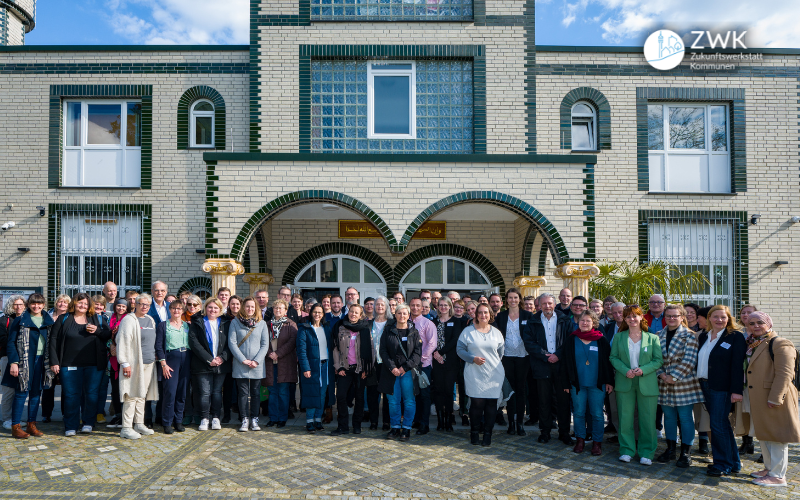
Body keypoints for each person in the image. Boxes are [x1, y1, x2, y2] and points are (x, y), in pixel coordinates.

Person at [743, 312, 799, 487]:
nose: (756, 326)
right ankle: (769, 468)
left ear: (769, 324)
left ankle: (778, 476)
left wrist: (775, 398)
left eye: (760, 322)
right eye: (751, 323)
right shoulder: (752, 344)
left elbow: (785, 374)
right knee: (764, 434)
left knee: (777, 436)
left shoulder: (780, 343)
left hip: (774, 398)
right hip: (758, 397)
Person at [48, 292, 111, 436]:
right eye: (80, 302)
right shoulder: (64, 318)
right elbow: (53, 340)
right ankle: (71, 425)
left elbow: (107, 335)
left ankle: (88, 422)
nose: (83, 305)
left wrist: (97, 331)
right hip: (69, 364)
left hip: (93, 364)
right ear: (74, 303)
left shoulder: (95, 318)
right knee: (71, 395)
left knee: (91, 394)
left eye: (85, 303)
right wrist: (54, 361)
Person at [610, 304, 663, 465]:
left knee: (647, 419)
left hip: (646, 383)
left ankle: (647, 452)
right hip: (625, 381)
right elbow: (613, 357)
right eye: (628, 316)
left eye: (635, 315)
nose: (632, 319)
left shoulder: (652, 337)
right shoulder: (619, 337)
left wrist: (644, 370)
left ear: (641, 317)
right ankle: (626, 450)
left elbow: (658, 360)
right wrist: (625, 370)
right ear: (624, 319)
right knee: (625, 418)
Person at [696, 305, 746, 477]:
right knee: (722, 425)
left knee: (717, 425)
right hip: (705, 385)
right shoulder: (704, 336)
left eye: (723, 317)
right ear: (709, 318)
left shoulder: (735, 337)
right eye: (715, 316)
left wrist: (736, 390)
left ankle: (722, 464)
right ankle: (733, 463)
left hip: (722, 388)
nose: (719, 320)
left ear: (728, 318)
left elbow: (737, 366)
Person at [655, 304, 703, 468]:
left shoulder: (690, 336)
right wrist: (661, 374)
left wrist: (673, 377)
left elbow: (690, 360)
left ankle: (685, 452)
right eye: (668, 316)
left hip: (684, 383)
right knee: (668, 417)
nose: (671, 318)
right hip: (663, 383)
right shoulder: (658, 335)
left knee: (685, 418)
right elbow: (655, 359)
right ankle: (670, 449)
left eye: (675, 316)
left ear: (682, 317)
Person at [561, 310, 613, 456]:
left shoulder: (601, 340)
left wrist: (609, 381)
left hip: (597, 384)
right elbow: (565, 362)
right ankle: (580, 440)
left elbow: (608, 363)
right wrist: (565, 383)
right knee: (578, 413)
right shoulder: (571, 339)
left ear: (594, 323)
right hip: (577, 384)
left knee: (597, 414)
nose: (584, 323)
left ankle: (597, 443)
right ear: (578, 322)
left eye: (588, 321)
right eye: (582, 320)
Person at [2, 294, 54, 439]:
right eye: (33, 303)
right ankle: (16, 426)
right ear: (28, 304)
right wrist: (13, 362)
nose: (36, 306)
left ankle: (32, 424)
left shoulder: (48, 321)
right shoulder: (20, 320)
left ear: (44, 305)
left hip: (42, 360)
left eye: (39, 303)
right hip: (24, 360)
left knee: (36, 393)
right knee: (21, 392)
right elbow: (11, 343)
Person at [523, 293, 572, 445]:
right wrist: (546, 356)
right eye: (544, 304)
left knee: (563, 401)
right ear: (539, 305)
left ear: (554, 304)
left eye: (550, 303)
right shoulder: (533, 321)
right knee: (543, 401)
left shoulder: (565, 320)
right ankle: (545, 432)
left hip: (561, 366)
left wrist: (557, 355)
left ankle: (564, 433)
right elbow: (529, 343)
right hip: (541, 365)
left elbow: (570, 341)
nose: (547, 306)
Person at [458, 303, 505, 446]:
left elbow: (500, 353)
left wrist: (490, 363)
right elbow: (460, 350)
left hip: (494, 374)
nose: (483, 315)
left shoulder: (496, 333)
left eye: (486, 312)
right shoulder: (467, 331)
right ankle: (474, 433)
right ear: (476, 315)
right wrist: (473, 359)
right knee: (477, 404)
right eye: (480, 313)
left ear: (490, 314)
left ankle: (488, 435)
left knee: (491, 404)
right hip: (474, 372)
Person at [116, 294, 159, 439]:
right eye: (142, 304)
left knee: (142, 395)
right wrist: (125, 363)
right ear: (136, 304)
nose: (145, 307)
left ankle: (139, 423)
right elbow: (122, 341)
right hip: (133, 364)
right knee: (131, 394)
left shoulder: (150, 320)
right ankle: (126, 427)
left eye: (147, 305)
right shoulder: (129, 320)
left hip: (149, 363)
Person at [493, 288, 533, 436]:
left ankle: (520, 424)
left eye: (515, 297)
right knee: (510, 391)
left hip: (523, 357)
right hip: (506, 357)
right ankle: (511, 423)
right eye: (510, 297)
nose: (513, 300)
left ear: (519, 299)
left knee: (521, 390)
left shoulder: (528, 315)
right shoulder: (501, 316)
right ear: (506, 300)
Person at [379, 303, 421, 442]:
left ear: (408, 315)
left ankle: (407, 428)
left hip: (407, 372)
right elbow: (383, 351)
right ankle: (395, 427)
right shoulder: (388, 330)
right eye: (399, 313)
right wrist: (393, 368)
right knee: (393, 402)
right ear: (395, 315)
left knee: (409, 401)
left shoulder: (414, 332)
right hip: (391, 373)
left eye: (405, 313)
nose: (402, 316)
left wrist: (405, 368)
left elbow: (417, 354)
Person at [188, 297, 231, 431]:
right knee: (205, 393)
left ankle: (216, 418)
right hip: (202, 363)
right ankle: (204, 418)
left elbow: (231, 343)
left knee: (217, 392)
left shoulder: (226, 323)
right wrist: (209, 359)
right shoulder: (198, 322)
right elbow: (194, 343)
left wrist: (222, 358)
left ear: (220, 310)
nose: (212, 310)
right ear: (205, 308)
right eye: (210, 307)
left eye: (216, 308)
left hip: (220, 364)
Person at [331, 304, 374, 436]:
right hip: (345, 368)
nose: (353, 314)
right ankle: (343, 426)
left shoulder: (365, 329)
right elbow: (335, 348)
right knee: (341, 396)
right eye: (351, 312)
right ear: (348, 312)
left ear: (361, 315)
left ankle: (357, 425)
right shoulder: (340, 326)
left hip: (360, 370)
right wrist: (338, 367)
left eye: (356, 313)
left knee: (359, 398)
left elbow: (371, 350)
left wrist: (367, 369)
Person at [227, 297, 268, 432]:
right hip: (241, 364)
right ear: (243, 307)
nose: (250, 309)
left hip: (257, 364)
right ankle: (244, 418)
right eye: (247, 306)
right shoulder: (235, 323)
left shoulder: (262, 323)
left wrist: (256, 360)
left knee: (256, 393)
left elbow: (264, 344)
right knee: (243, 393)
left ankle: (254, 419)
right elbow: (232, 343)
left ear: (256, 308)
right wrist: (243, 359)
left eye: (252, 307)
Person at [155, 300, 192, 434]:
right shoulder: (163, 325)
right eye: (173, 308)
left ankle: (178, 420)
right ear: (169, 310)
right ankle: (167, 422)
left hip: (186, 358)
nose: (176, 311)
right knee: (170, 392)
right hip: (170, 359)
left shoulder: (187, 326)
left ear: (182, 311)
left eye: (179, 308)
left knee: (182, 392)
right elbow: (158, 346)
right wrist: (163, 364)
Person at [297, 303, 333, 433]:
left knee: (322, 394)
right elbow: (301, 351)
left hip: (325, 366)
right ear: (311, 313)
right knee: (312, 393)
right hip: (311, 366)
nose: (317, 314)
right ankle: (309, 421)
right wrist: (305, 368)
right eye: (315, 312)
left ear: (323, 314)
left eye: (320, 312)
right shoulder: (304, 329)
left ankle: (318, 419)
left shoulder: (326, 328)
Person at [262, 299, 297, 428]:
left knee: (283, 392)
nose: (278, 310)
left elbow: (292, 342)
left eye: (280, 308)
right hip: (270, 362)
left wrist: (278, 353)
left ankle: (282, 418)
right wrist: (270, 353)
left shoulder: (291, 325)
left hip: (285, 362)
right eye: (276, 308)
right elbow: (262, 341)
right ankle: (273, 417)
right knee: (272, 391)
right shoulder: (266, 324)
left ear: (285, 311)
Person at [431, 296, 463, 432]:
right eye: (441, 305)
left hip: (450, 362)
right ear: (437, 307)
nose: (443, 307)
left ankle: (448, 420)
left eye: (446, 305)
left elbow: (455, 340)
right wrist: (435, 354)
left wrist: (441, 352)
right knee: (438, 391)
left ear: (450, 307)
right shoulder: (433, 322)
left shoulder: (456, 321)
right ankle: (440, 420)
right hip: (436, 362)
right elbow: (430, 340)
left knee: (448, 391)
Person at [735, 303, 760, 457]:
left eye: (749, 312)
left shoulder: (763, 334)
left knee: (759, 413)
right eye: (743, 313)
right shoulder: (739, 334)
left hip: (758, 381)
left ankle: (765, 447)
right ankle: (747, 443)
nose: (745, 315)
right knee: (744, 412)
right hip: (742, 380)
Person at [409, 297, 436, 434]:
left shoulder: (428, 323)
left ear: (422, 308)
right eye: (412, 305)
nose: (415, 308)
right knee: (414, 394)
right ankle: (417, 420)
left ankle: (424, 424)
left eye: (417, 306)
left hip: (423, 365)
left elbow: (432, 344)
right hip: (409, 366)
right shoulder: (405, 322)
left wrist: (419, 359)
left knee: (424, 395)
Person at [367, 296, 392, 431]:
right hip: (372, 363)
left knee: (387, 395)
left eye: (382, 305)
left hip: (387, 363)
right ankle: (374, 421)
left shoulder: (392, 323)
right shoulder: (368, 323)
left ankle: (386, 421)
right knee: (372, 394)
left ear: (386, 307)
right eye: (377, 305)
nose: (380, 307)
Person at [1, 295, 26, 430]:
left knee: (19, 390)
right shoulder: (4, 320)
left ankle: (15, 418)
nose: (18, 307)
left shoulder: (26, 318)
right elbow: (3, 340)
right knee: (8, 390)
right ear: (11, 305)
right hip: (7, 357)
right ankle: (6, 419)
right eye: (16, 304)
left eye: (21, 304)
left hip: (24, 359)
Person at [105, 298, 129, 429]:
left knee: (123, 388)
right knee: (114, 388)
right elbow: (107, 336)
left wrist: (117, 348)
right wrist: (110, 347)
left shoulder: (128, 319)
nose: (120, 308)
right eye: (118, 306)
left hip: (124, 358)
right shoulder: (110, 319)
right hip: (112, 357)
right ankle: (117, 414)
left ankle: (124, 415)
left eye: (123, 307)